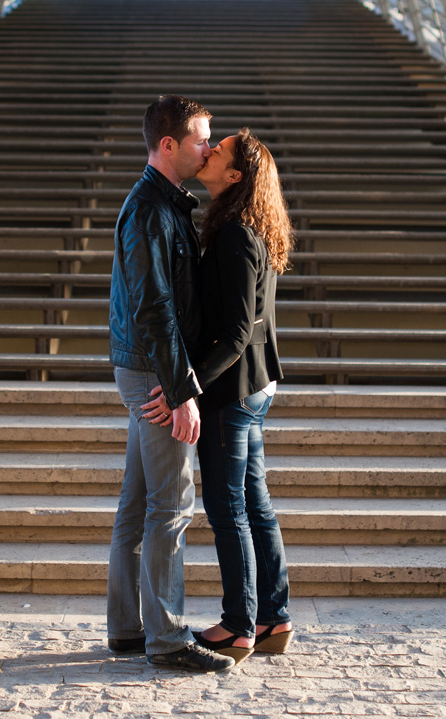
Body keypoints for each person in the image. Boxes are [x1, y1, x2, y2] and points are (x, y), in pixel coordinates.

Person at [143, 127, 294, 665]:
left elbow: (232, 333)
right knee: (254, 504)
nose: (207, 151)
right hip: (256, 383)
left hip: (233, 390)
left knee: (228, 506)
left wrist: (187, 386)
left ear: (234, 175)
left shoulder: (232, 234)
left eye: (219, 150)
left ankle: (238, 626)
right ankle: (272, 617)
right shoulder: (249, 226)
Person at [106, 95, 233, 674]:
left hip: (148, 365)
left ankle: (128, 630)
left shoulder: (165, 205)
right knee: (171, 506)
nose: (208, 148)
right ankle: (166, 638)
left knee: (137, 505)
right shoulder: (151, 211)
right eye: (201, 139)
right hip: (155, 370)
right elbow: (155, 307)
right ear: (168, 145)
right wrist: (181, 390)